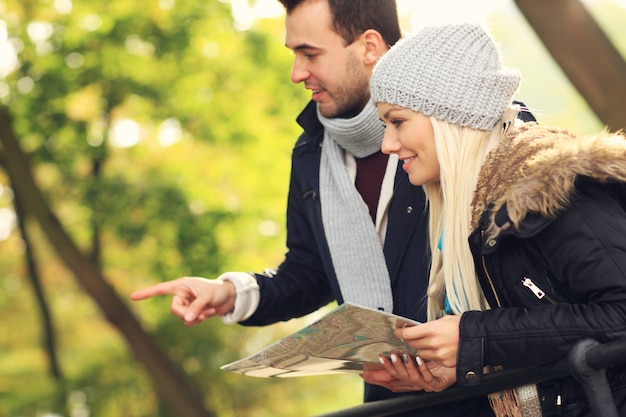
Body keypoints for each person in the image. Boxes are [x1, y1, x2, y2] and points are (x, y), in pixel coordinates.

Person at [132, 2, 526, 415]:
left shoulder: (474, 129)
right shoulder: (311, 154)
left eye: (310, 53)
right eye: (294, 55)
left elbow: (550, 286)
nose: (297, 73)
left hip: (492, 398)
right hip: (389, 403)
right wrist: (231, 293)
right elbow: (311, 271)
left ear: (369, 46)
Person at [366, 22, 626, 417]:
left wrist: (475, 338)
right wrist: (458, 367)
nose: (387, 144)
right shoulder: (478, 209)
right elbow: (548, 344)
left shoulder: (555, 190)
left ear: (450, 116)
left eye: (397, 121)